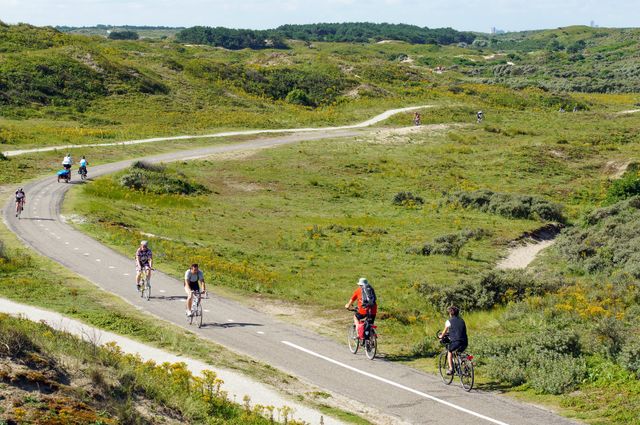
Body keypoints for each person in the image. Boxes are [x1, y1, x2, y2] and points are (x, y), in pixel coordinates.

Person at [439, 306, 468, 375]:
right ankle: (465, 367)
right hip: (465, 341)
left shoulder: (449, 321)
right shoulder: (462, 320)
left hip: (456, 341)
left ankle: (451, 369)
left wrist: (441, 337)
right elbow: (458, 330)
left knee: (450, 351)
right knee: (459, 353)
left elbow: (444, 332)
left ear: (450, 313)